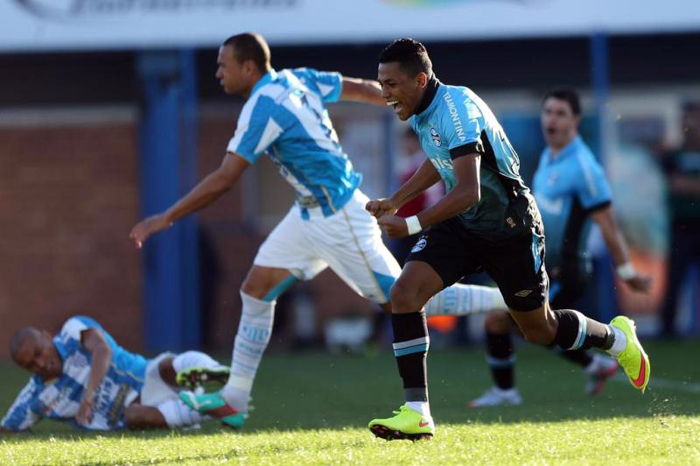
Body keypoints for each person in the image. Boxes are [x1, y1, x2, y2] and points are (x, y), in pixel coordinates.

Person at [129, 32, 506, 428]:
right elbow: (361, 89)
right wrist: (407, 103)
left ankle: (508, 301)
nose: (218, 73)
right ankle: (234, 398)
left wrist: (166, 217)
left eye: (223, 65)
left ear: (249, 67)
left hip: (340, 215)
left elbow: (225, 179)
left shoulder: (261, 108)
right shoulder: (297, 78)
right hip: (308, 214)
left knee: (404, 297)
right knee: (255, 289)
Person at [366, 38, 651, 441]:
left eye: (391, 84)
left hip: (510, 228)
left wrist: (412, 224)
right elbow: (439, 159)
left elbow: (469, 190)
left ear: (420, 79)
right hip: (465, 224)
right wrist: (396, 200)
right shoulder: (420, 108)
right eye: (381, 83)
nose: (384, 93)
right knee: (406, 294)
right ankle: (418, 412)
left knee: (539, 330)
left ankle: (617, 338)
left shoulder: (456, 110)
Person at [469, 88, 652, 407]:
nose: (551, 119)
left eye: (560, 113)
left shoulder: (584, 166)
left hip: (565, 268)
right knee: (537, 330)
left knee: (506, 321)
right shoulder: (548, 157)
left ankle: (507, 392)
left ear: (575, 121)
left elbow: (606, 222)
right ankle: (598, 364)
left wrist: (627, 271)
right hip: (538, 263)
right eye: (548, 112)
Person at [0, 315, 229, 432]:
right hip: (133, 413)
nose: (41, 364)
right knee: (134, 416)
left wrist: (87, 397)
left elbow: (102, 349)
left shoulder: (72, 330)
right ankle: (215, 406)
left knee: (166, 366)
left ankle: (213, 370)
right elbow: (7, 428)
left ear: (48, 336)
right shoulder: (34, 398)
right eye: (30, 365)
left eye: (39, 352)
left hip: (145, 376)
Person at [658, 101, 700, 337]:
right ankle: (668, 329)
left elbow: (681, 184)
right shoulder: (673, 155)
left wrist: (687, 185)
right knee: (675, 280)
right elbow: (674, 184)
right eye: (687, 120)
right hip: (681, 227)